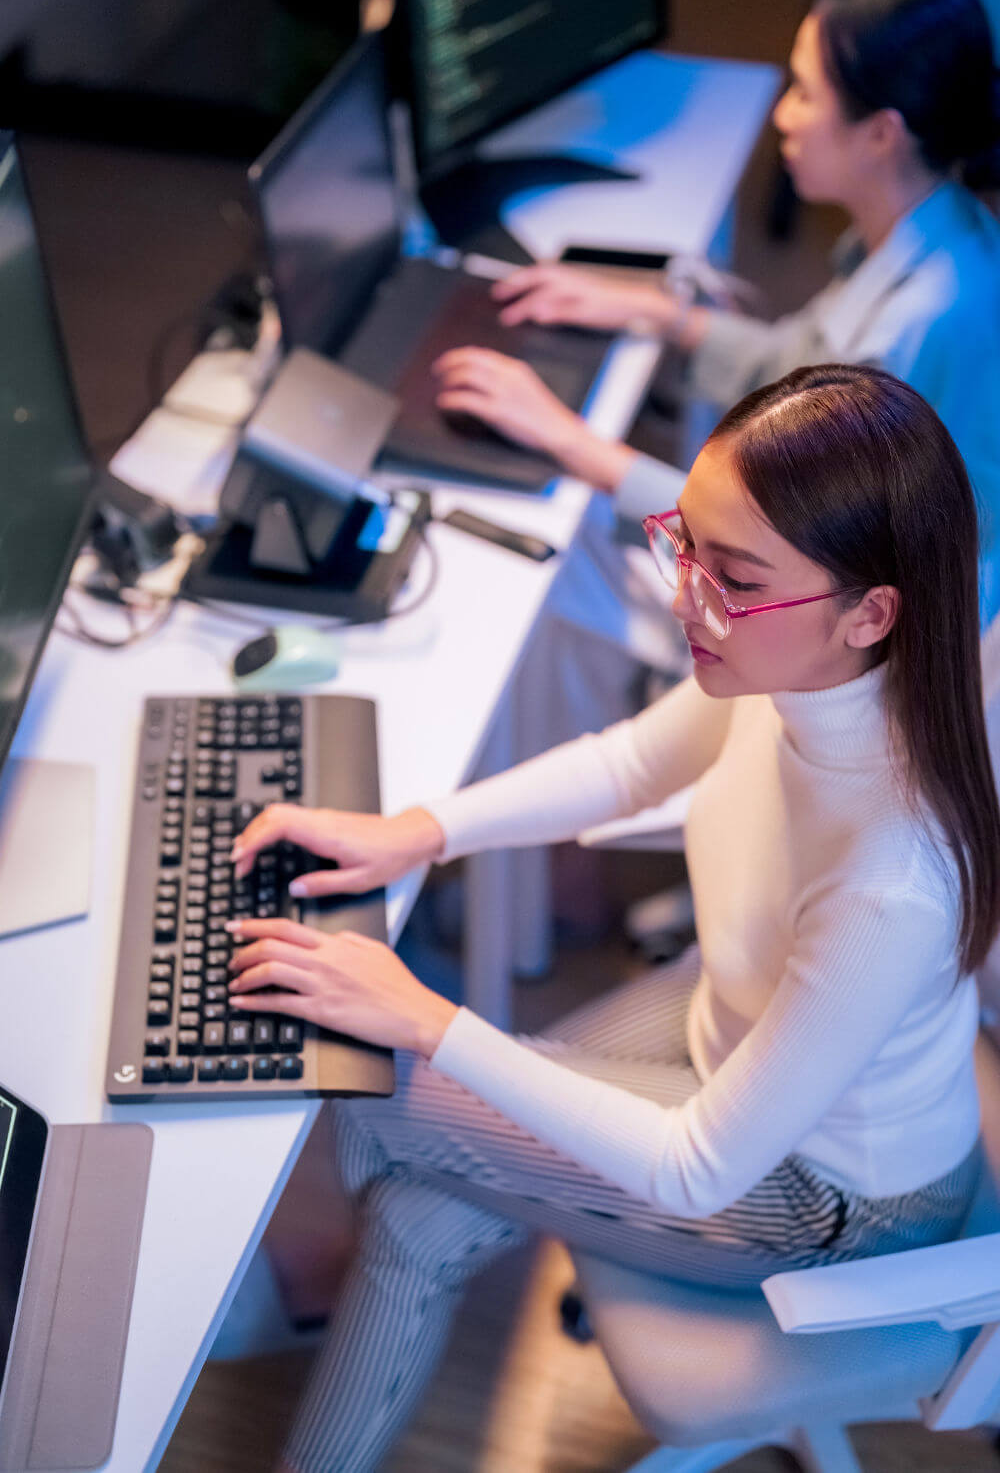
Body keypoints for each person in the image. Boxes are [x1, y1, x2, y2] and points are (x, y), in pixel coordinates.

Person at [224, 365, 998, 1473]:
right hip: (727, 1030)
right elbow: (633, 761)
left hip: (836, 1200)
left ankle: (314, 1270)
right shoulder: (794, 677)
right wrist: (415, 832)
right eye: (683, 543)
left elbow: (698, 1170)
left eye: (729, 578)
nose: (686, 599)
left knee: (374, 1085)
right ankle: (339, 1283)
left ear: (868, 614)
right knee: (413, 1215)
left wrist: (428, 1021)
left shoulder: (891, 872)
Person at [433, 0, 1000, 691]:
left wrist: (561, 435)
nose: (782, 118)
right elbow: (802, 365)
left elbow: (768, 551)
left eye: (803, 93)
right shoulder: (937, 230)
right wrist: (659, 313)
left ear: (881, 132)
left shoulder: (907, 332)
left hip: (885, 646)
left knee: (558, 545)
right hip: (855, 566)